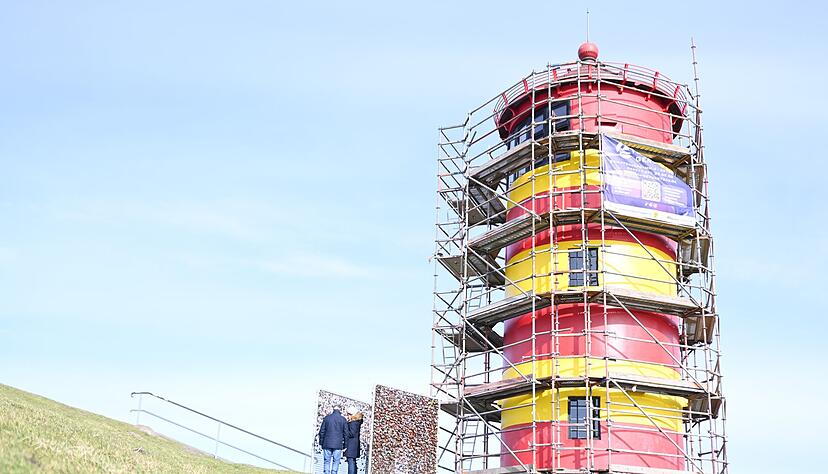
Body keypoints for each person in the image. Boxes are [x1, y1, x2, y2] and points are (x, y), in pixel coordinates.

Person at [318, 406, 348, 474]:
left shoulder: (327, 418)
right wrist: (345, 445)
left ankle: (326, 472)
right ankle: (334, 472)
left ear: (333, 410)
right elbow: (346, 433)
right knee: (336, 461)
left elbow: (322, 431)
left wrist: (321, 442)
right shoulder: (343, 419)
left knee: (327, 461)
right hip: (338, 444)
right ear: (340, 410)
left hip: (327, 443)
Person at [344, 406, 364, 474]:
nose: (348, 416)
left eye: (348, 414)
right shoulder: (357, 422)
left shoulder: (353, 423)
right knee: (352, 461)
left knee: (351, 461)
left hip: (351, 445)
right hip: (354, 445)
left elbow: (351, 434)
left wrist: (345, 430)